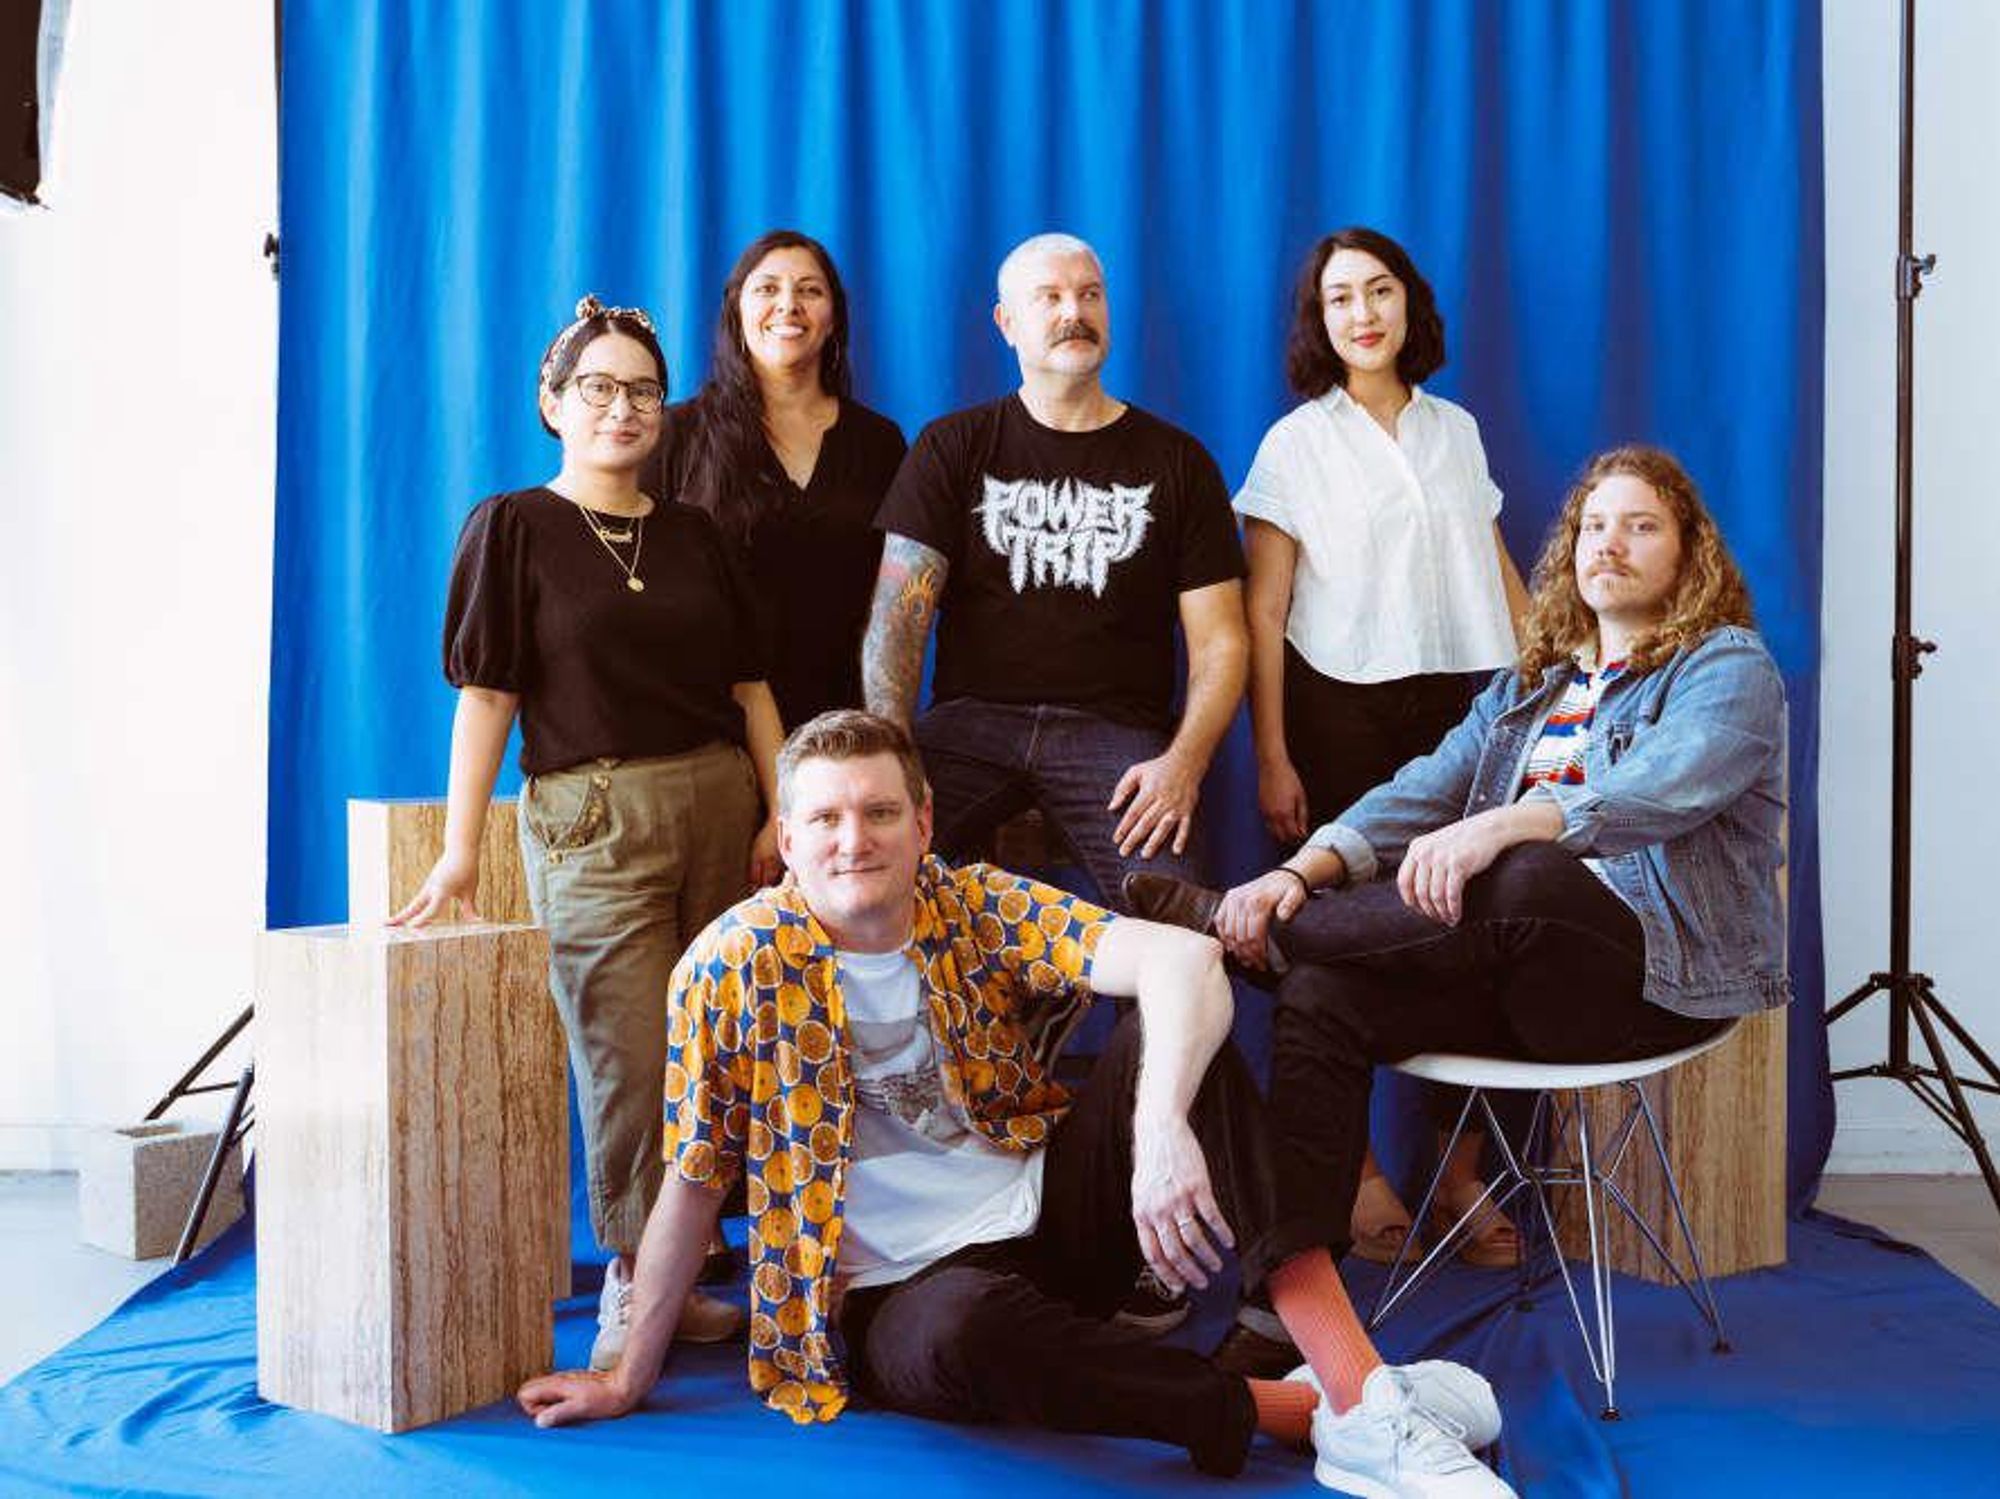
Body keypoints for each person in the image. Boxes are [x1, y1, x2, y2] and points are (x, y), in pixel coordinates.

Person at [518, 711, 1516, 1498]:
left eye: (876, 811)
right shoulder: (725, 969)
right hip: (890, 1302)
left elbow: (1180, 955)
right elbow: (693, 1182)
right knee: (965, 1335)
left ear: (922, 818)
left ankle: (1354, 1383)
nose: (851, 838)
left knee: (1182, 1038)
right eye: (823, 818)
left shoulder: (971, 899)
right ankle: (1304, 1412)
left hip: (1047, 1228)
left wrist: (1158, 1124)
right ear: (785, 838)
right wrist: (622, 1377)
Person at [1127, 445, 1788, 1378]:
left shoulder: (1728, 667)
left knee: (1523, 872)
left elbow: (1659, 790)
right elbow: (1424, 786)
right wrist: (1302, 873)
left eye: (1642, 526)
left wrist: (1506, 825)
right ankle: (1286, 1309)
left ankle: (1226, 935)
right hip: (1509, 977)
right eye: (1595, 525)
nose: (1612, 543)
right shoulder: (1536, 686)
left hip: (1645, 981)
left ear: (1689, 552)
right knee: (1322, 996)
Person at [392, 296, 786, 1371]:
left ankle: (693, 1268)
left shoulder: (695, 531)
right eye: (598, 387)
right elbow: (486, 698)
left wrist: (779, 809)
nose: (622, 407)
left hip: (720, 807)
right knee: (626, 1052)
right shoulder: (511, 525)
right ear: (552, 402)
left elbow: (751, 689)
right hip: (590, 820)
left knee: (725, 1047)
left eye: (642, 390)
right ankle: (631, 1279)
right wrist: (464, 848)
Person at [1237, 227, 1530, 1269]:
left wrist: (1550, 678)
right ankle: (1356, 1170)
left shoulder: (1455, 428)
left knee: (1464, 929)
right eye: (1338, 300)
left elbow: (1488, 560)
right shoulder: (1293, 444)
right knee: (1339, 937)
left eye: (1378, 291)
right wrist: (1271, 753)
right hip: (1338, 705)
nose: (1361, 313)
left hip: (1463, 701)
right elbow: (1262, 609)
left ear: (1409, 304)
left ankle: (1454, 1168)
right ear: (1316, 323)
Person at [862, 232, 1248, 906]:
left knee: (1183, 933)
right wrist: (890, 764)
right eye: (1050, 297)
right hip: (969, 727)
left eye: (1090, 294)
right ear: (1007, 323)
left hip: (1116, 736)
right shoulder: (952, 447)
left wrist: (1183, 764)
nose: (1075, 311)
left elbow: (1222, 639)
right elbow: (897, 624)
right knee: (855, 878)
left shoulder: (1179, 462)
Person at [655, 229, 907, 728]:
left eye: (810, 290)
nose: (788, 305)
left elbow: (897, 607)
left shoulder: (880, 443)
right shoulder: (677, 434)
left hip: (840, 731)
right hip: (705, 728)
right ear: (737, 312)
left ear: (834, 317)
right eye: (767, 289)